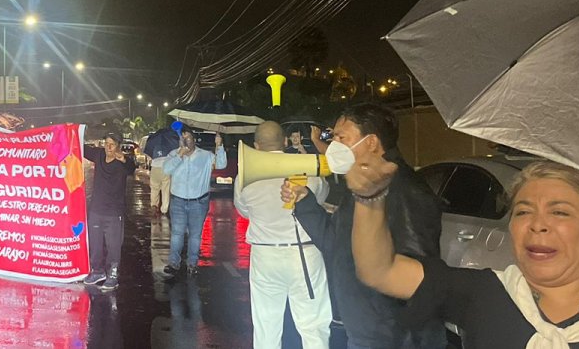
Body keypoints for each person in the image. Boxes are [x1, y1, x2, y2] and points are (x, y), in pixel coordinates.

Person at [350, 158, 579, 348]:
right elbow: (381, 271)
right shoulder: (485, 293)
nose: (538, 225)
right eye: (523, 212)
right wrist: (370, 198)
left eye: (560, 213)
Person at [282, 103, 443, 349]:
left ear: (371, 142)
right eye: (333, 137)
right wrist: (305, 202)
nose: (334, 145)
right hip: (365, 330)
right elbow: (335, 245)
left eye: (341, 137)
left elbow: (418, 283)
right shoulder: (365, 190)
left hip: (391, 339)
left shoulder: (406, 191)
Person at [236, 120, 332, 349]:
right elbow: (319, 198)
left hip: (264, 256)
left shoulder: (244, 176)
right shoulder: (305, 167)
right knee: (313, 327)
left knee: (266, 326)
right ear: (286, 142)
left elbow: (243, 211)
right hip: (304, 255)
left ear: (256, 146)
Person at [161, 126, 226, 279]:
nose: (185, 141)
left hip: (198, 201)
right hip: (178, 201)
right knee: (177, 233)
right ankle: (174, 263)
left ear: (194, 139)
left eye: (188, 138)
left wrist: (219, 145)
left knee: (195, 235)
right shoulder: (173, 154)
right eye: (183, 138)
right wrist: (180, 156)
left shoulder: (205, 155)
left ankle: (192, 263)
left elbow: (221, 164)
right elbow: (166, 170)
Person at [81, 132, 138, 291]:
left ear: (118, 145)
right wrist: (70, 131)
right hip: (96, 210)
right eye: (106, 143)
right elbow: (82, 148)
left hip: (114, 212)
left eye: (112, 144)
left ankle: (113, 275)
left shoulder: (123, 162)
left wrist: (124, 159)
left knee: (113, 246)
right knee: (95, 243)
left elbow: (131, 168)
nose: (109, 147)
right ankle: (97, 271)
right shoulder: (99, 154)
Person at [144, 123, 180, 216]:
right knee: (165, 189)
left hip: (155, 168)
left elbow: (149, 156)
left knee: (154, 188)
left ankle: (154, 205)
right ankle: (164, 209)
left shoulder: (154, 144)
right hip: (166, 168)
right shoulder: (170, 145)